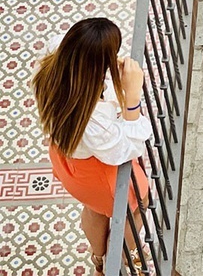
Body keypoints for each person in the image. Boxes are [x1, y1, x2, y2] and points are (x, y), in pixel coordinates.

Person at [32, 17, 152, 276]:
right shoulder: (92, 120)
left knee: (95, 209)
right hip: (98, 174)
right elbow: (126, 148)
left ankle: (98, 259)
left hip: (70, 164)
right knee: (137, 202)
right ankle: (124, 258)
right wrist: (132, 99)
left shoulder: (52, 65)